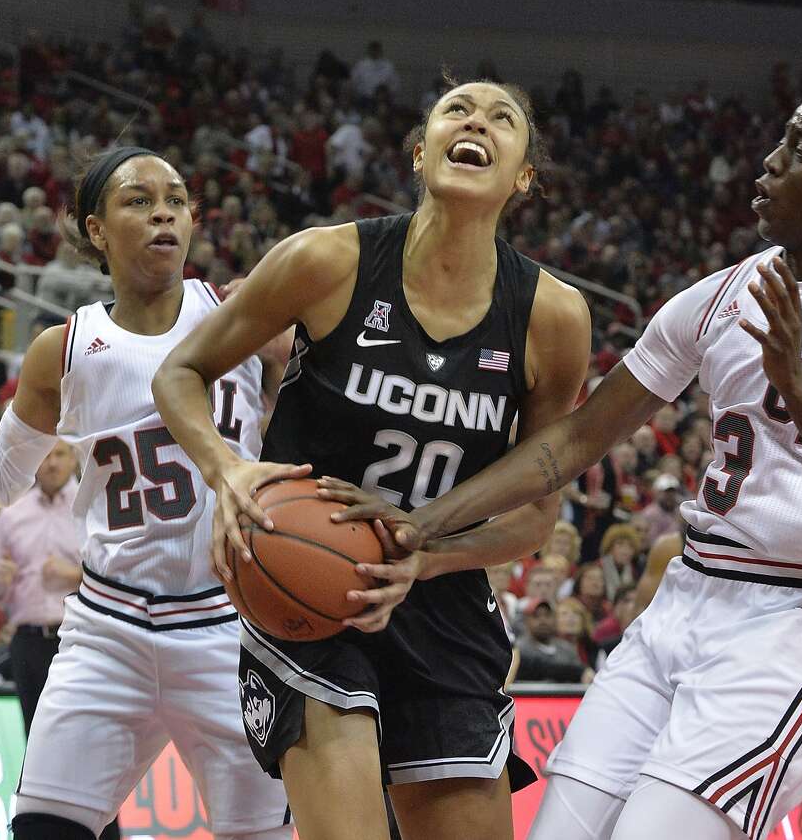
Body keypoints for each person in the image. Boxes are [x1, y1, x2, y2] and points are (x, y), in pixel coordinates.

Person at [324, 86, 802, 840]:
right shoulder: (720, 295)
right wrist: (422, 524)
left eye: (801, 150)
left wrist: (794, 384)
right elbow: (575, 440)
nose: (771, 161)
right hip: (687, 599)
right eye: (781, 141)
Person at [154, 78, 592, 840]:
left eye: (502, 118)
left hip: (444, 602)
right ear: (421, 153)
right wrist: (229, 472)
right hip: (310, 583)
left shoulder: (552, 317)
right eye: (456, 109)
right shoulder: (327, 261)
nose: (476, 122)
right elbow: (179, 371)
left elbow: (534, 513)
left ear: (524, 177)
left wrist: (424, 557)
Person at [0, 147, 293, 840]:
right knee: (42, 830)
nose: (163, 212)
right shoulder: (62, 348)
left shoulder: (243, 311)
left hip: (225, 627)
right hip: (107, 629)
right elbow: (1, 476)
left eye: (176, 200)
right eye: (139, 200)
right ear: (95, 229)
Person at [0, 440, 81, 729]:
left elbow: (117, 572)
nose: (51, 463)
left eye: (59, 454)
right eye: (45, 455)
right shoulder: (11, 514)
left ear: (74, 458)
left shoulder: (93, 505)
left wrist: (76, 575)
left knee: (81, 730)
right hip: (28, 639)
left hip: (80, 636)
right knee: (33, 731)